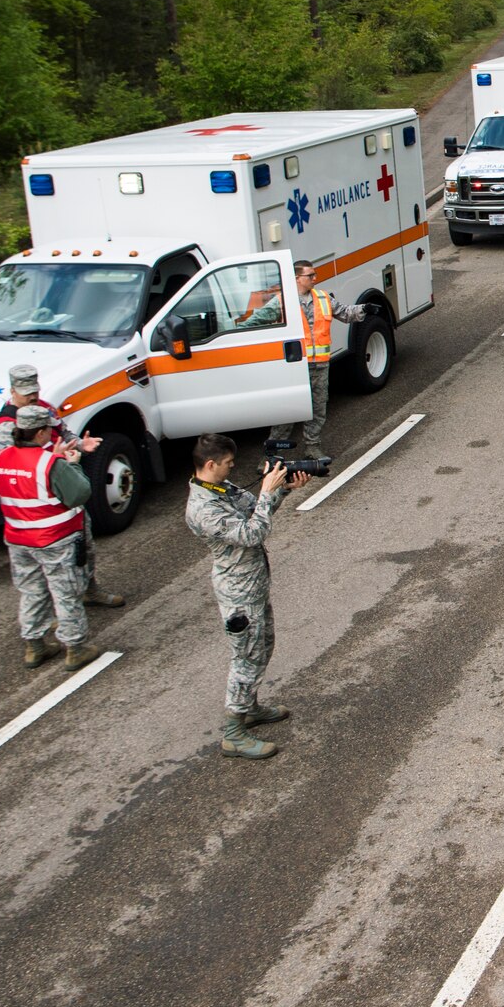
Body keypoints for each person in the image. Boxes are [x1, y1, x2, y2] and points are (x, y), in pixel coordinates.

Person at [186, 433, 310, 760]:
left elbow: (255, 510)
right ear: (210, 464)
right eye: (228, 463)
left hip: (253, 584)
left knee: (263, 644)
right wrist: (268, 492)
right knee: (246, 658)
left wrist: (280, 490)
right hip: (238, 592)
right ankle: (234, 733)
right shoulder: (201, 508)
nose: (232, 467)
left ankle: (249, 707)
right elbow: (252, 532)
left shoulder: (220, 489)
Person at [0, 364, 124, 607]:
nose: (32, 397)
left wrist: (81, 445)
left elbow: (63, 434)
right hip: (36, 503)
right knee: (47, 565)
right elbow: (10, 467)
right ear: (12, 390)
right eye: (26, 392)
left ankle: (88, 589)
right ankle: (55, 610)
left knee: (84, 545)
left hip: (63, 486)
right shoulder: (5, 427)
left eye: (35, 391)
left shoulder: (45, 409)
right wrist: (56, 457)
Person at [0, 405, 100, 671]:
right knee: (66, 592)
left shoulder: (0, 458)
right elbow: (79, 493)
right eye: (49, 430)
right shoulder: (50, 463)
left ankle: (34, 645)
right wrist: (72, 465)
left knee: (31, 590)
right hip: (55, 538)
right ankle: (76, 648)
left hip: (18, 539)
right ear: (41, 432)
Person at [268, 260, 371, 460]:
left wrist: (365, 309)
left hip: (319, 365)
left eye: (315, 274)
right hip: (294, 367)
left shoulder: (322, 298)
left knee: (318, 408)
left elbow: (345, 313)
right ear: (297, 278)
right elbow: (257, 322)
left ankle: (312, 448)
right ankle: (272, 454)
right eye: (310, 275)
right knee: (288, 411)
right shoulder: (282, 302)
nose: (315, 278)